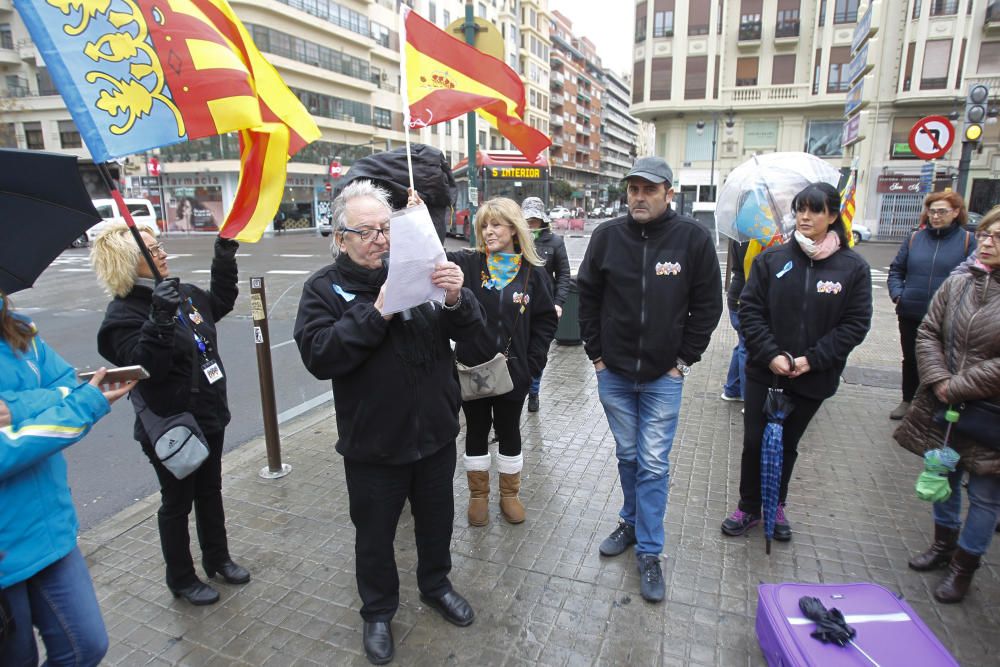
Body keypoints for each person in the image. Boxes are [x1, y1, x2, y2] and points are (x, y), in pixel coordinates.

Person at [294, 180, 485, 665]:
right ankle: (378, 611)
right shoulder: (324, 289)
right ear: (341, 238)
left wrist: (457, 299)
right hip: (373, 445)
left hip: (437, 433)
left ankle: (435, 585)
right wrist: (377, 310)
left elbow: (474, 337)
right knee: (375, 535)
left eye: (386, 229)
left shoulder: (418, 269)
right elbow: (320, 355)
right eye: (367, 232)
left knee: (437, 522)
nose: (381, 239)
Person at [577, 156, 723, 603]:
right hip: (614, 374)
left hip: (664, 377)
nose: (639, 197)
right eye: (633, 189)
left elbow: (708, 306)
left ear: (668, 193)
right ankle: (629, 521)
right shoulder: (606, 237)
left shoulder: (692, 240)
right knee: (628, 455)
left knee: (653, 462)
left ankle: (650, 550)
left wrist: (682, 361)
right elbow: (587, 298)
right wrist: (597, 358)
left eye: (649, 189)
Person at [92, 225, 249, 606]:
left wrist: (224, 256)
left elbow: (220, 302)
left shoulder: (181, 293)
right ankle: (181, 577)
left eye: (159, 246)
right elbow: (149, 366)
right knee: (177, 501)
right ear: (129, 263)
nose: (161, 254)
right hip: (172, 426)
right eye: (150, 250)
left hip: (208, 414)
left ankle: (218, 558)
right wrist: (159, 317)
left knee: (210, 490)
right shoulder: (122, 315)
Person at [721, 182, 872, 542]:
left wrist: (812, 359)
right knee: (755, 441)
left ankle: (776, 504)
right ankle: (748, 506)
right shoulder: (771, 260)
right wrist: (771, 353)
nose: (805, 216)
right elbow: (751, 310)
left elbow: (855, 324)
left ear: (832, 216)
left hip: (813, 376)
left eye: (815, 210)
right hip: (765, 372)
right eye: (801, 209)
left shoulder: (852, 268)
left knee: (787, 443)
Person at [0, 291, 135, 666]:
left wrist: (15, 407)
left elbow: (72, 386)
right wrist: (70, 405)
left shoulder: (20, 328)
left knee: (87, 645)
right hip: (4, 550)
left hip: (50, 528)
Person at [894, 207, 1000, 604]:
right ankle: (942, 545)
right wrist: (938, 380)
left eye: (997, 237)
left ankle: (964, 566)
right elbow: (928, 331)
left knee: (987, 496)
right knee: (945, 477)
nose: (986, 242)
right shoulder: (959, 283)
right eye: (985, 234)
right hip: (947, 405)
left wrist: (957, 385)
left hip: (990, 415)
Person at [449, 198, 558, 528]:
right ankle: (478, 497)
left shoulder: (533, 273)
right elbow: (430, 255)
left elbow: (545, 322)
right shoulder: (469, 263)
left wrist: (533, 364)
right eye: (484, 225)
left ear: (513, 228)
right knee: (476, 431)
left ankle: (510, 496)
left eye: (496, 224)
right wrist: (415, 214)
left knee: (510, 431)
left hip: (513, 374)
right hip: (472, 371)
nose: (488, 231)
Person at [887, 192, 975, 420]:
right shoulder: (915, 238)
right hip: (912, 311)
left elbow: (975, 277)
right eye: (932, 211)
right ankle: (908, 401)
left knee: (942, 360)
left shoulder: (967, 241)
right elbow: (897, 269)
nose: (935, 216)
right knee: (911, 358)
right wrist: (899, 294)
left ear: (956, 212)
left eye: (942, 211)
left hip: (949, 315)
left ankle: (935, 404)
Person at [521, 196, 570, 413]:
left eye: (534, 219)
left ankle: (534, 391)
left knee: (538, 351)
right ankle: (517, 390)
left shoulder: (555, 242)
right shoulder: (515, 239)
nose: (531, 224)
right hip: (519, 306)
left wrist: (558, 302)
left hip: (544, 308)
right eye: (527, 219)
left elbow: (563, 275)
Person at [722, 240, 750, 402]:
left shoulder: (740, 230)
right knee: (747, 348)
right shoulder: (755, 234)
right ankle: (750, 400)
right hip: (744, 297)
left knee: (743, 344)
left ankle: (733, 389)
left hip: (737, 295)